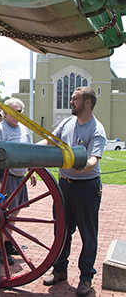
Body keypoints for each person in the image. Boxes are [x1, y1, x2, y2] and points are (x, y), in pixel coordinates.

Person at [39, 87, 106, 297]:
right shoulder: (67, 123)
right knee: (62, 231)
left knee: (88, 235)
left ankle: (86, 278)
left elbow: (94, 160)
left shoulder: (97, 129)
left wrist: (80, 166)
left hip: (86, 187)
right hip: (64, 185)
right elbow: (49, 141)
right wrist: (29, 152)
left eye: (75, 99)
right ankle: (60, 271)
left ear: (87, 102)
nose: (71, 102)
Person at [0, 97, 37, 265]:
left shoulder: (24, 130)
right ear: (4, 112)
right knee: (5, 215)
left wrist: (31, 171)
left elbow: (29, 151)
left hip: (19, 178)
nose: (14, 115)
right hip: (5, 178)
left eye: (18, 112)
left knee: (15, 212)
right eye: (10, 111)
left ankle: (7, 243)